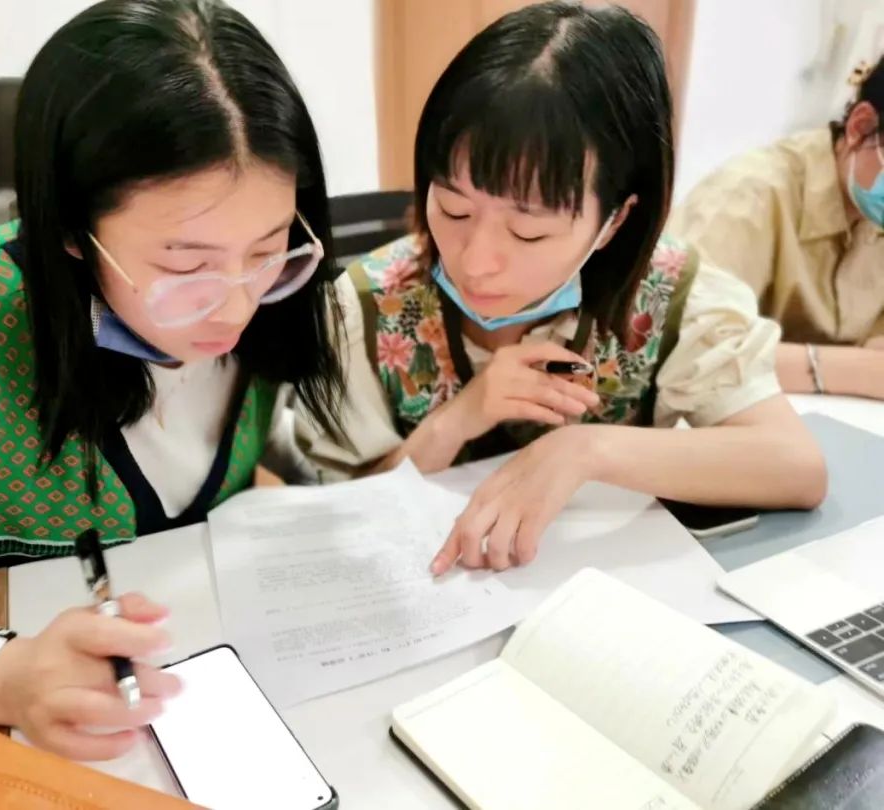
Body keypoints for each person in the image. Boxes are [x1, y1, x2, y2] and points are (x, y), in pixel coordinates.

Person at [0, 0, 342, 759]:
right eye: (184, 265)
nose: (236, 306)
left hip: (194, 697)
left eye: (268, 249)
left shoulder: (274, 304)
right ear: (70, 230)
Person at [296, 1, 827, 574]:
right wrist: (457, 419)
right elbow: (337, 515)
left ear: (615, 222)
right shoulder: (364, 306)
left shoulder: (668, 295)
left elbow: (795, 466)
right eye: (453, 209)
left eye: (529, 232)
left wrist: (585, 449)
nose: (476, 261)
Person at [669, 55, 884, 399]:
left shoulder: (871, 212)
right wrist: (854, 370)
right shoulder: (747, 195)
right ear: (861, 127)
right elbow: (685, 350)